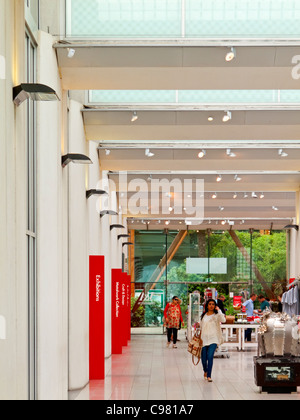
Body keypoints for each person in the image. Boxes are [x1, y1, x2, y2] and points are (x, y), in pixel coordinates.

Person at [199, 299, 226, 382]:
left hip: (213, 338)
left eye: (213, 304)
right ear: (207, 305)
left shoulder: (217, 315)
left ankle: (209, 376)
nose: (211, 305)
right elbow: (201, 327)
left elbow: (223, 320)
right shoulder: (204, 315)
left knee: (210, 356)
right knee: (203, 359)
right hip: (204, 339)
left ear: (215, 306)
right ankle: (205, 371)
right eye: (210, 304)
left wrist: (219, 310)